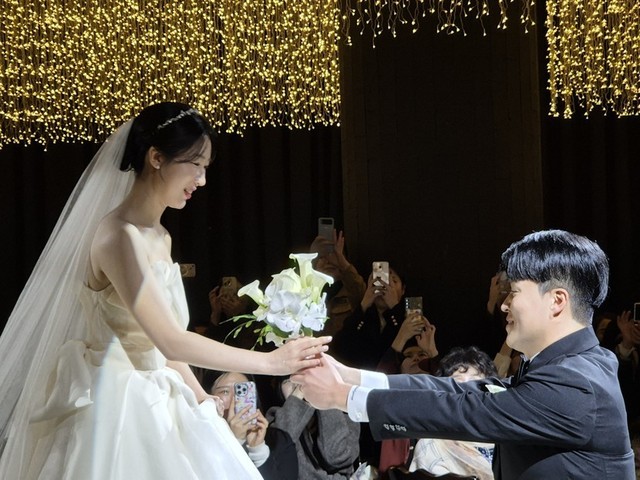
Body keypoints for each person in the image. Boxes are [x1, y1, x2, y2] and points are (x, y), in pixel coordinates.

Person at [0, 102, 330, 479]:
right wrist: (271, 363)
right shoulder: (118, 237)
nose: (201, 180)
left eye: (205, 168)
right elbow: (171, 340)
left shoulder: (160, 236)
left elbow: (160, 345)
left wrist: (201, 395)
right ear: (156, 158)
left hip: (161, 389)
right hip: (119, 403)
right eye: (195, 165)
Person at [294, 230, 636, 479]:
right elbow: (460, 391)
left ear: (556, 301)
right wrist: (353, 378)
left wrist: (344, 397)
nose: (504, 304)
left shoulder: (576, 382)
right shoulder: (571, 367)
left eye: (514, 292)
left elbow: (467, 411)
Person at [407, 346, 497, 480]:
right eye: (458, 384)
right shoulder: (433, 446)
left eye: (475, 383)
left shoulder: (508, 439)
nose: (468, 392)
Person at [265, 376, 360, 479]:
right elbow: (279, 448)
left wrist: (324, 401)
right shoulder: (275, 418)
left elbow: (338, 457)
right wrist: (298, 398)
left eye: (303, 379)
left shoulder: (346, 413)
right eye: (289, 380)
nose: (297, 386)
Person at [309, 230, 366, 338]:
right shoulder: (307, 293)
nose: (329, 262)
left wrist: (342, 263)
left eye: (334, 256)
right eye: (322, 257)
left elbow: (360, 292)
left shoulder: (352, 293)